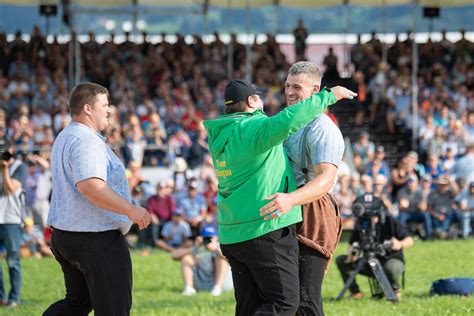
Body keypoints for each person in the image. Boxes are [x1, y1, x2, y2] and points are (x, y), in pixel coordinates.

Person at [203, 78, 356, 315]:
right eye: (259, 96)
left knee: (248, 305)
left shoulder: (221, 134)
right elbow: (289, 119)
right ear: (252, 101)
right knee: (285, 303)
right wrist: (330, 95)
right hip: (263, 228)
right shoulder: (254, 129)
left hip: (232, 233)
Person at [43, 82, 151, 316]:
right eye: (105, 104)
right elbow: (91, 186)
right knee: (114, 308)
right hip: (94, 238)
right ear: (88, 108)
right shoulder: (86, 140)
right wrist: (131, 210)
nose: (110, 110)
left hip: (68, 234)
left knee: (77, 304)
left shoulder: (66, 135)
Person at [260, 61, 344, 316]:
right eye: (287, 86)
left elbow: (325, 180)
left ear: (315, 90)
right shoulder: (285, 121)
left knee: (306, 300)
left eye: (297, 87)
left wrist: (291, 200)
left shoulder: (322, 127)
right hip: (284, 209)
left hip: (312, 212)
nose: (290, 92)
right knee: (285, 296)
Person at [336, 201, 414, 301]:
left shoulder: (390, 222)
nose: (370, 219)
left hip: (389, 260)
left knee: (391, 267)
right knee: (341, 260)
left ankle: (395, 291)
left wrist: (400, 244)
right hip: (368, 261)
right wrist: (351, 253)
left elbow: (410, 240)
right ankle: (355, 293)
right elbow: (352, 243)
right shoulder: (361, 223)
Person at [0, 141, 27, 307]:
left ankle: (14, 298)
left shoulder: (19, 167)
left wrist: (4, 169)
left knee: (13, 260)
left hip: (11, 219)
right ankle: (1, 297)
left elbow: (10, 189)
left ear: (12, 151)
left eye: (5, 151)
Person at [172, 225, 232, 297]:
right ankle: (189, 288)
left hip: (222, 283)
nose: (208, 240)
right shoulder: (197, 247)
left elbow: (232, 260)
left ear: (217, 237)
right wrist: (194, 248)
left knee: (221, 259)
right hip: (201, 281)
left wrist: (216, 250)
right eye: (205, 238)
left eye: (210, 238)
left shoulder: (220, 246)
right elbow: (174, 255)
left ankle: (217, 288)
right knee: (187, 258)